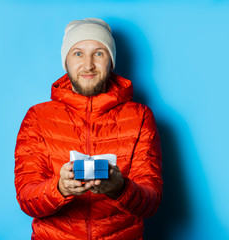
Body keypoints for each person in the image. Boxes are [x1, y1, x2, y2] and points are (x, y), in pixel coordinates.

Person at [14, 18, 163, 240]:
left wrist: (120, 188)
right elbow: (27, 199)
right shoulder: (37, 117)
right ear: (66, 61)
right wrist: (60, 188)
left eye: (99, 53)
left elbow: (150, 203)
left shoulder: (140, 116)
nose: (88, 65)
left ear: (111, 61)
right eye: (78, 53)